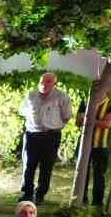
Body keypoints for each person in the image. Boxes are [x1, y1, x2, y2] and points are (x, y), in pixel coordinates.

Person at [18, 73, 72, 205]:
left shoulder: (61, 97)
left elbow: (67, 116)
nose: (44, 84)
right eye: (42, 81)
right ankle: (27, 193)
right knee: (28, 165)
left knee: (46, 167)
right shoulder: (31, 95)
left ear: (54, 84)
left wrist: (54, 125)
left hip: (51, 136)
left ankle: (40, 195)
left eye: (48, 82)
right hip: (32, 135)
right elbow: (22, 110)